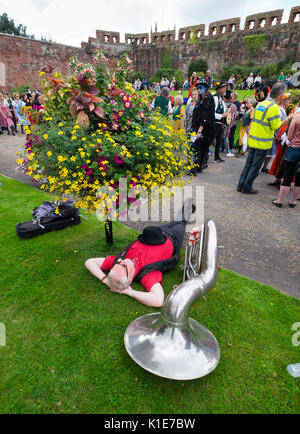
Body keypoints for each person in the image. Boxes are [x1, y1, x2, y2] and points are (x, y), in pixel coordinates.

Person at [85, 199, 196, 307]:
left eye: (118, 263)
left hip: (156, 233)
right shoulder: (147, 274)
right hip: (173, 238)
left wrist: (106, 280)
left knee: (174, 221)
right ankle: (187, 210)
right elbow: (158, 300)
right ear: (129, 279)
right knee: (180, 222)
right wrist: (130, 292)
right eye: (123, 266)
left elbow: (90, 262)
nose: (122, 261)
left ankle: (186, 211)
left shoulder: (120, 262)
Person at [237, 82, 294, 195]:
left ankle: (241, 185)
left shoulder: (261, 104)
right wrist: (288, 118)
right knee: (255, 167)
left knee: (248, 164)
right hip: (262, 143)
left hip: (253, 140)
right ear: (279, 95)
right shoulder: (274, 108)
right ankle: (247, 187)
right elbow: (276, 126)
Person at [272, 107, 300, 208]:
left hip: (294, 149)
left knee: (287, 177)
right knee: (299, 179)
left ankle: (279, 201)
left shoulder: (296, 117)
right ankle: (293, 202)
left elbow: (289, 135)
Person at [262, 93, 293, 174]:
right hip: (274, 135)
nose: (290, 102)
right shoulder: (278, 110)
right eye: (288, 100)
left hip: (278, 136)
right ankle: (262, 167)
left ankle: (264, 167)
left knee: (271, 153)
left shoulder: (283, 110)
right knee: (267, 153)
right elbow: (277, 123)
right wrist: (277, 135)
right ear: (283, 101)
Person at [190, 80, 216, 175]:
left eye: (201, 87)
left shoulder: (207, 100)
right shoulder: (202, 100)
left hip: (204, 128)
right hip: (203, 128)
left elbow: (204, 117)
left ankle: (195, 169)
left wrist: (199, 131)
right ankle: (199, 167)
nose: (200, 89)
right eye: (199, 87)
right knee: (201, 148)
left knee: (199, 148)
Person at [212, 81, 228, 163]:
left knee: (219, 140)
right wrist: (221, 116)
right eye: (223, 88)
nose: (224, 89)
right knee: (210, 141)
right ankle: (204, 157)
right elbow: (212, 112)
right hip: (215, 123)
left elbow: (224, 110)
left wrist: (226, 113)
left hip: (220, 123)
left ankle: (217, 157)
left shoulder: (221, 98)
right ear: (219, 89)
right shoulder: (215, 98)